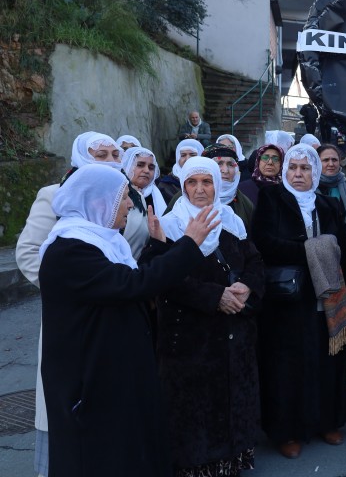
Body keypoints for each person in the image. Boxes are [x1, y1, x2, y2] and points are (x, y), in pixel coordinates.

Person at [39, 163, 219, 477]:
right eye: (124, 198)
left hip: (114, 372)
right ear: (99, 202)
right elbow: (132, 285)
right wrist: (189, 245)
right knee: (99, 458)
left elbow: (132, 281)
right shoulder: (69, 250)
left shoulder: (103, 241)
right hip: (90, 382)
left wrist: (158, 244)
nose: (128, 206)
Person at [16, 131, 126, 477]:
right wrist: (70, 289)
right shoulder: (54, 195)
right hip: (75, 318)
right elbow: (29, 252)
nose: (109, 159)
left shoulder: (125, 196)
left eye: (113, 153)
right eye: (99, 154)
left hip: (117, 312)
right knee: (68, 408)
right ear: (80, 157)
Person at [149, 156, 264, 476]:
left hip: (234, 332)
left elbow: (254, 262)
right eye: (192, 182)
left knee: (232, 399)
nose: (200, 189)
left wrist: (245, 286)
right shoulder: (170, 225)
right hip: (190, 337)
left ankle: (232, 461)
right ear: (183, 186)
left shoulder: (231, 220)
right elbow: (167, 280)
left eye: (207, 181)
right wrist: (216, 297)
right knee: (195, 408)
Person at [251, 144, 346, 459]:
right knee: (287, 366)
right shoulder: (271, 199)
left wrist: (321, 250)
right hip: (287, 300)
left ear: (315, 172)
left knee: (327, 359)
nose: (299, 174)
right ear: (285, 171)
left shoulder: (327, 205)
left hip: (325, 298)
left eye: (305, 168)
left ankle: (327, 421)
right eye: (293, 168)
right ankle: (287, 431)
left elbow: (342, 247)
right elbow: (264, 243)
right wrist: (310, 249)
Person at [122, 146, 167, 259]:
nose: (146, 170)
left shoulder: (159, 194)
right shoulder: (119, 195)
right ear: (127, 166)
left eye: (151, 167)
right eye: (140, 165)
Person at [156, 139, 204, 203]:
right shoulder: (167, 185)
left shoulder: (210, 180)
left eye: (192, 155)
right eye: (183, 155)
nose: (187, 159)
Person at [317, 143, 346, 213]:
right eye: (326, 160)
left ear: (339, 162)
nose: (331, 164)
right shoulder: (310, 189)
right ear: (317, 163)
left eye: (334, 160)